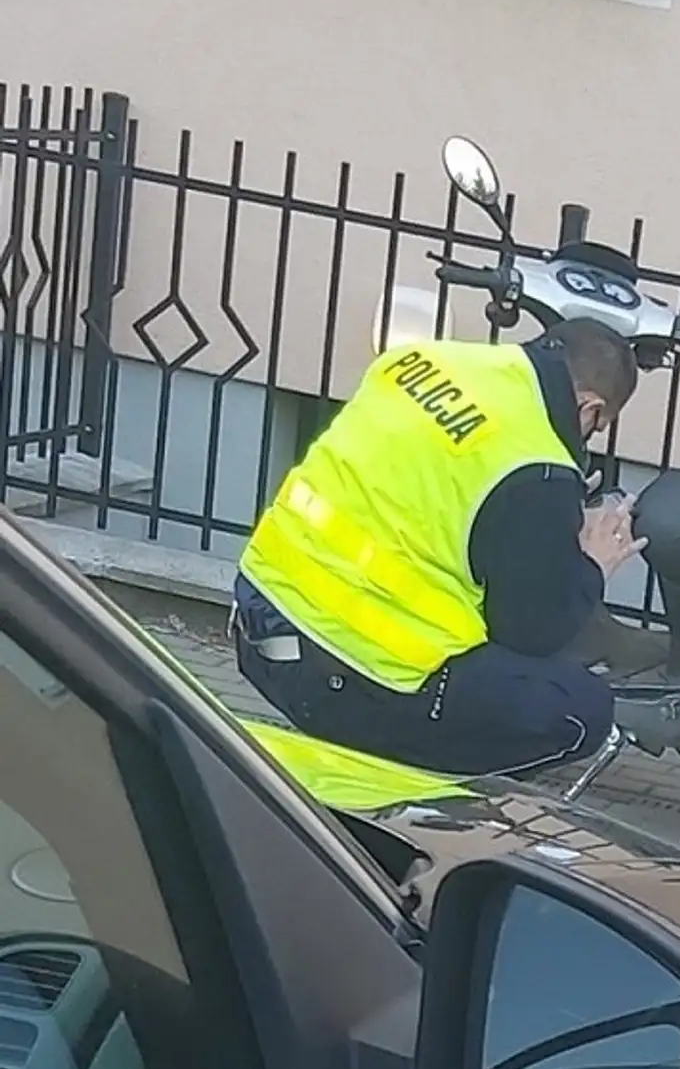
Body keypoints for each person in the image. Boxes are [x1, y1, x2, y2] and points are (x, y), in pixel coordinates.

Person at [230, 318, 647, 777]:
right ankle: (429, 800)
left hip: (258, 620)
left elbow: (433, 491)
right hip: (343, 679)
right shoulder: (536, 463)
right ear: (589, 409)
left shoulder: (422, 359)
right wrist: (589, 565)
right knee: (581, 709)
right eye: (597, 426)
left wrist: (546, 520)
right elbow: (533, 633)